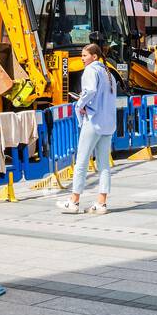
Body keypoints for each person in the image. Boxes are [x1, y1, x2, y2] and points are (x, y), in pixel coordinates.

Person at [57, 43, 117, 215]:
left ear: (94, 57)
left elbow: (89, 90)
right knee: (104, 165)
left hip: (93, 120)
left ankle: (74, 201)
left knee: (81, 161)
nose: (82, 59)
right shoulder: (108, 73)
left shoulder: (91, 70)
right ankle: (101, 203)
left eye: (84, 55)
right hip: (108, 123)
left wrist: (80, 104)